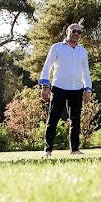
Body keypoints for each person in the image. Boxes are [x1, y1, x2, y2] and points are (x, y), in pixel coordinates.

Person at [39, 23, 92, 157]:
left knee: (75, 120)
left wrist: (88, 89)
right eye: (73, 31)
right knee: (53, 120)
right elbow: (47, 67)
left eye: (79, 32)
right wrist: (45, 86)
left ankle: (74, 149)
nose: (76, 34)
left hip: (77, 89)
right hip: (59, 88)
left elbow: (86, 71)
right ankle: (48, 150)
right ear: (67, 31)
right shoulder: (56, 47)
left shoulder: (83, 51)